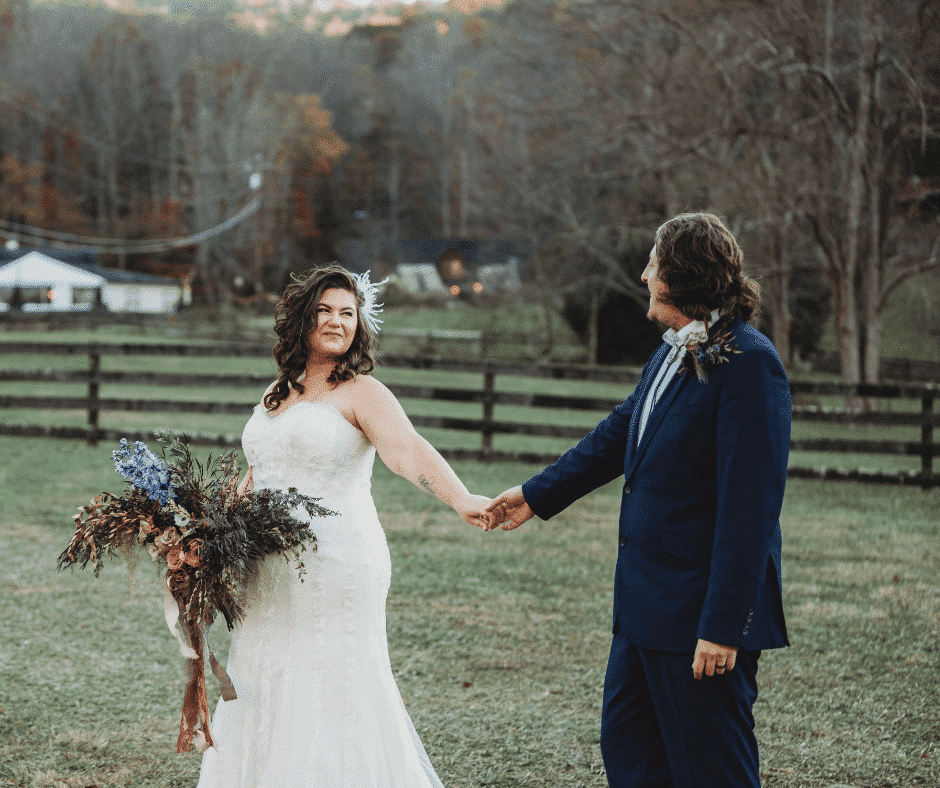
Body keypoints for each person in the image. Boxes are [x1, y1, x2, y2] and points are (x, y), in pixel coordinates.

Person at [486, 213, 791, 787]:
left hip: (698, 615)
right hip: (643, 606)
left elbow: (750, 511)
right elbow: (620, 434)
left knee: (712, 772)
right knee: (631, 755)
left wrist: (723, 625)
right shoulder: (672, 351)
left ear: (681, 275)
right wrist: (535, 494)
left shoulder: (749, 363)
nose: (644, 275)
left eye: (653, 263)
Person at [196, 264, 492, 788]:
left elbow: (406, 451)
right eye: (325, 311)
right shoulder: (277, 392)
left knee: (328, 680)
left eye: (348, 314)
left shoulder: (362, 392)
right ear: (302, 319)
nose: (337, 321)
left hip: (335, 564)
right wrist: (205, 536)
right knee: (264, 672)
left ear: (360, 325)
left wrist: (460, 497)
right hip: (266, 568)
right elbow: (258, 474)